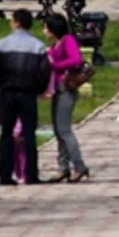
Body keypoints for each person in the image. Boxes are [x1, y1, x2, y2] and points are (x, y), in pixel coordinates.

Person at [0, 10, 50, 186]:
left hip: (7, 93)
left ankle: (5, 174)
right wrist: (38, 89)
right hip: (28, 93)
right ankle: (31, 174)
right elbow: (44, 73)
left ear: (15, 23)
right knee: (29, 133)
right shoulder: (38, 46)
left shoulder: (1, 44)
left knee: (6, 133)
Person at [42, 15, 91, 183]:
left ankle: (79, 166)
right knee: (58, 130)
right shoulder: (56, 43)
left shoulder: (68, 40)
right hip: (57, 89)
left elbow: (76, 59)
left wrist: (54, 65)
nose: (44, 31)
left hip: (66, 89)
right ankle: (63, 167)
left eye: (46, 28)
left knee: (64, 130)